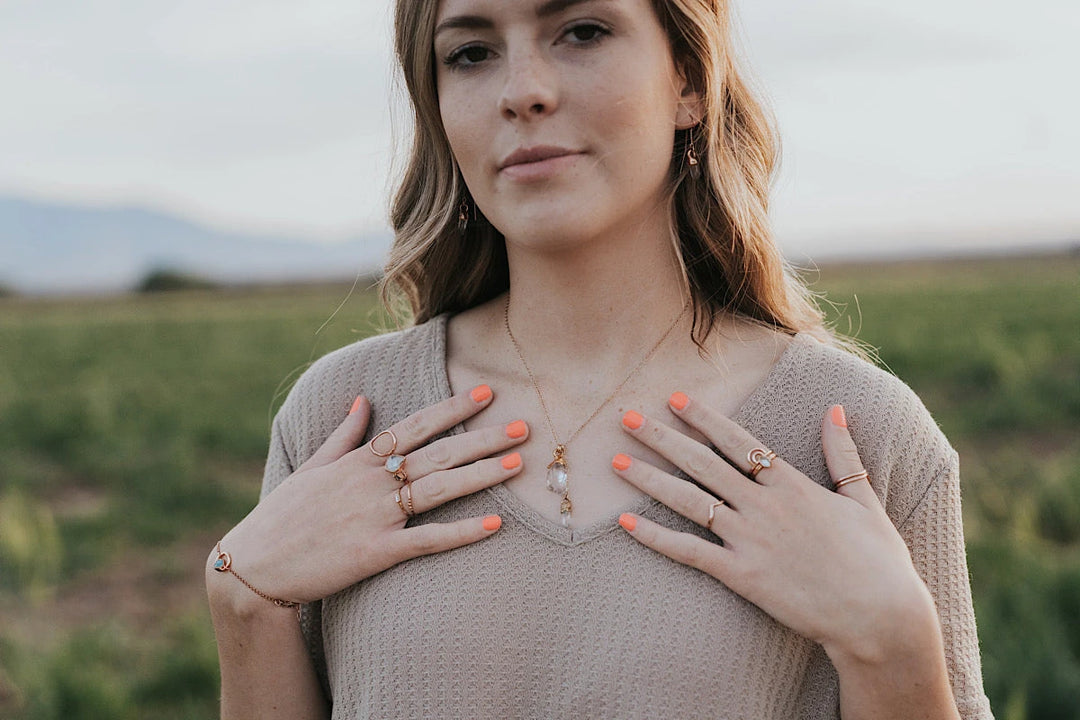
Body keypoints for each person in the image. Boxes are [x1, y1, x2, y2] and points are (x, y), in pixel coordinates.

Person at [205, 0, 994, 717]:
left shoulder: (860, 438)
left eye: (582, 32)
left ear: (688, 80)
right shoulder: (343, 416)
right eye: (471, 53)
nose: (524, 90)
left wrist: (893, 647)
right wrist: (242, 599)